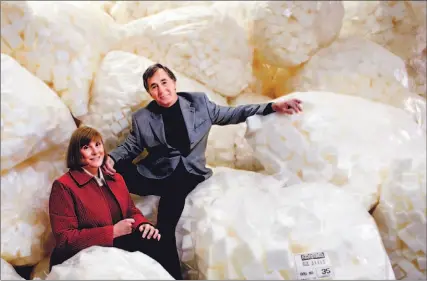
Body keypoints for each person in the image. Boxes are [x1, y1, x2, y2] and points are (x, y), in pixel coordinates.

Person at [102, 63, 303, 279]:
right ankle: (109, 233)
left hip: (187, 174)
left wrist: (272, 107)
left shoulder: (198, 103)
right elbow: (131, 146)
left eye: (164, 82)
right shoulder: (143, 117)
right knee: (111, 169)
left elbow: (234, 113)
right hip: (157, 173)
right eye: (153, 87)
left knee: (165, 226)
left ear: (174, 82)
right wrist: (111, 159)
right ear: (149, 92)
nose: (161, 90)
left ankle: (172, 275)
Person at [48, 126, 182, 279]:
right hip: (83, 253)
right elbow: (65, 240)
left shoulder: (115, 178)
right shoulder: (64, 186)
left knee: (159, 240)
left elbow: (131, 210)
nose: (95, 151)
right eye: (86, 147)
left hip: (117, 242)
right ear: (76, 153)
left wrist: (142, 224)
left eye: (97, 145)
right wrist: (113, 231)